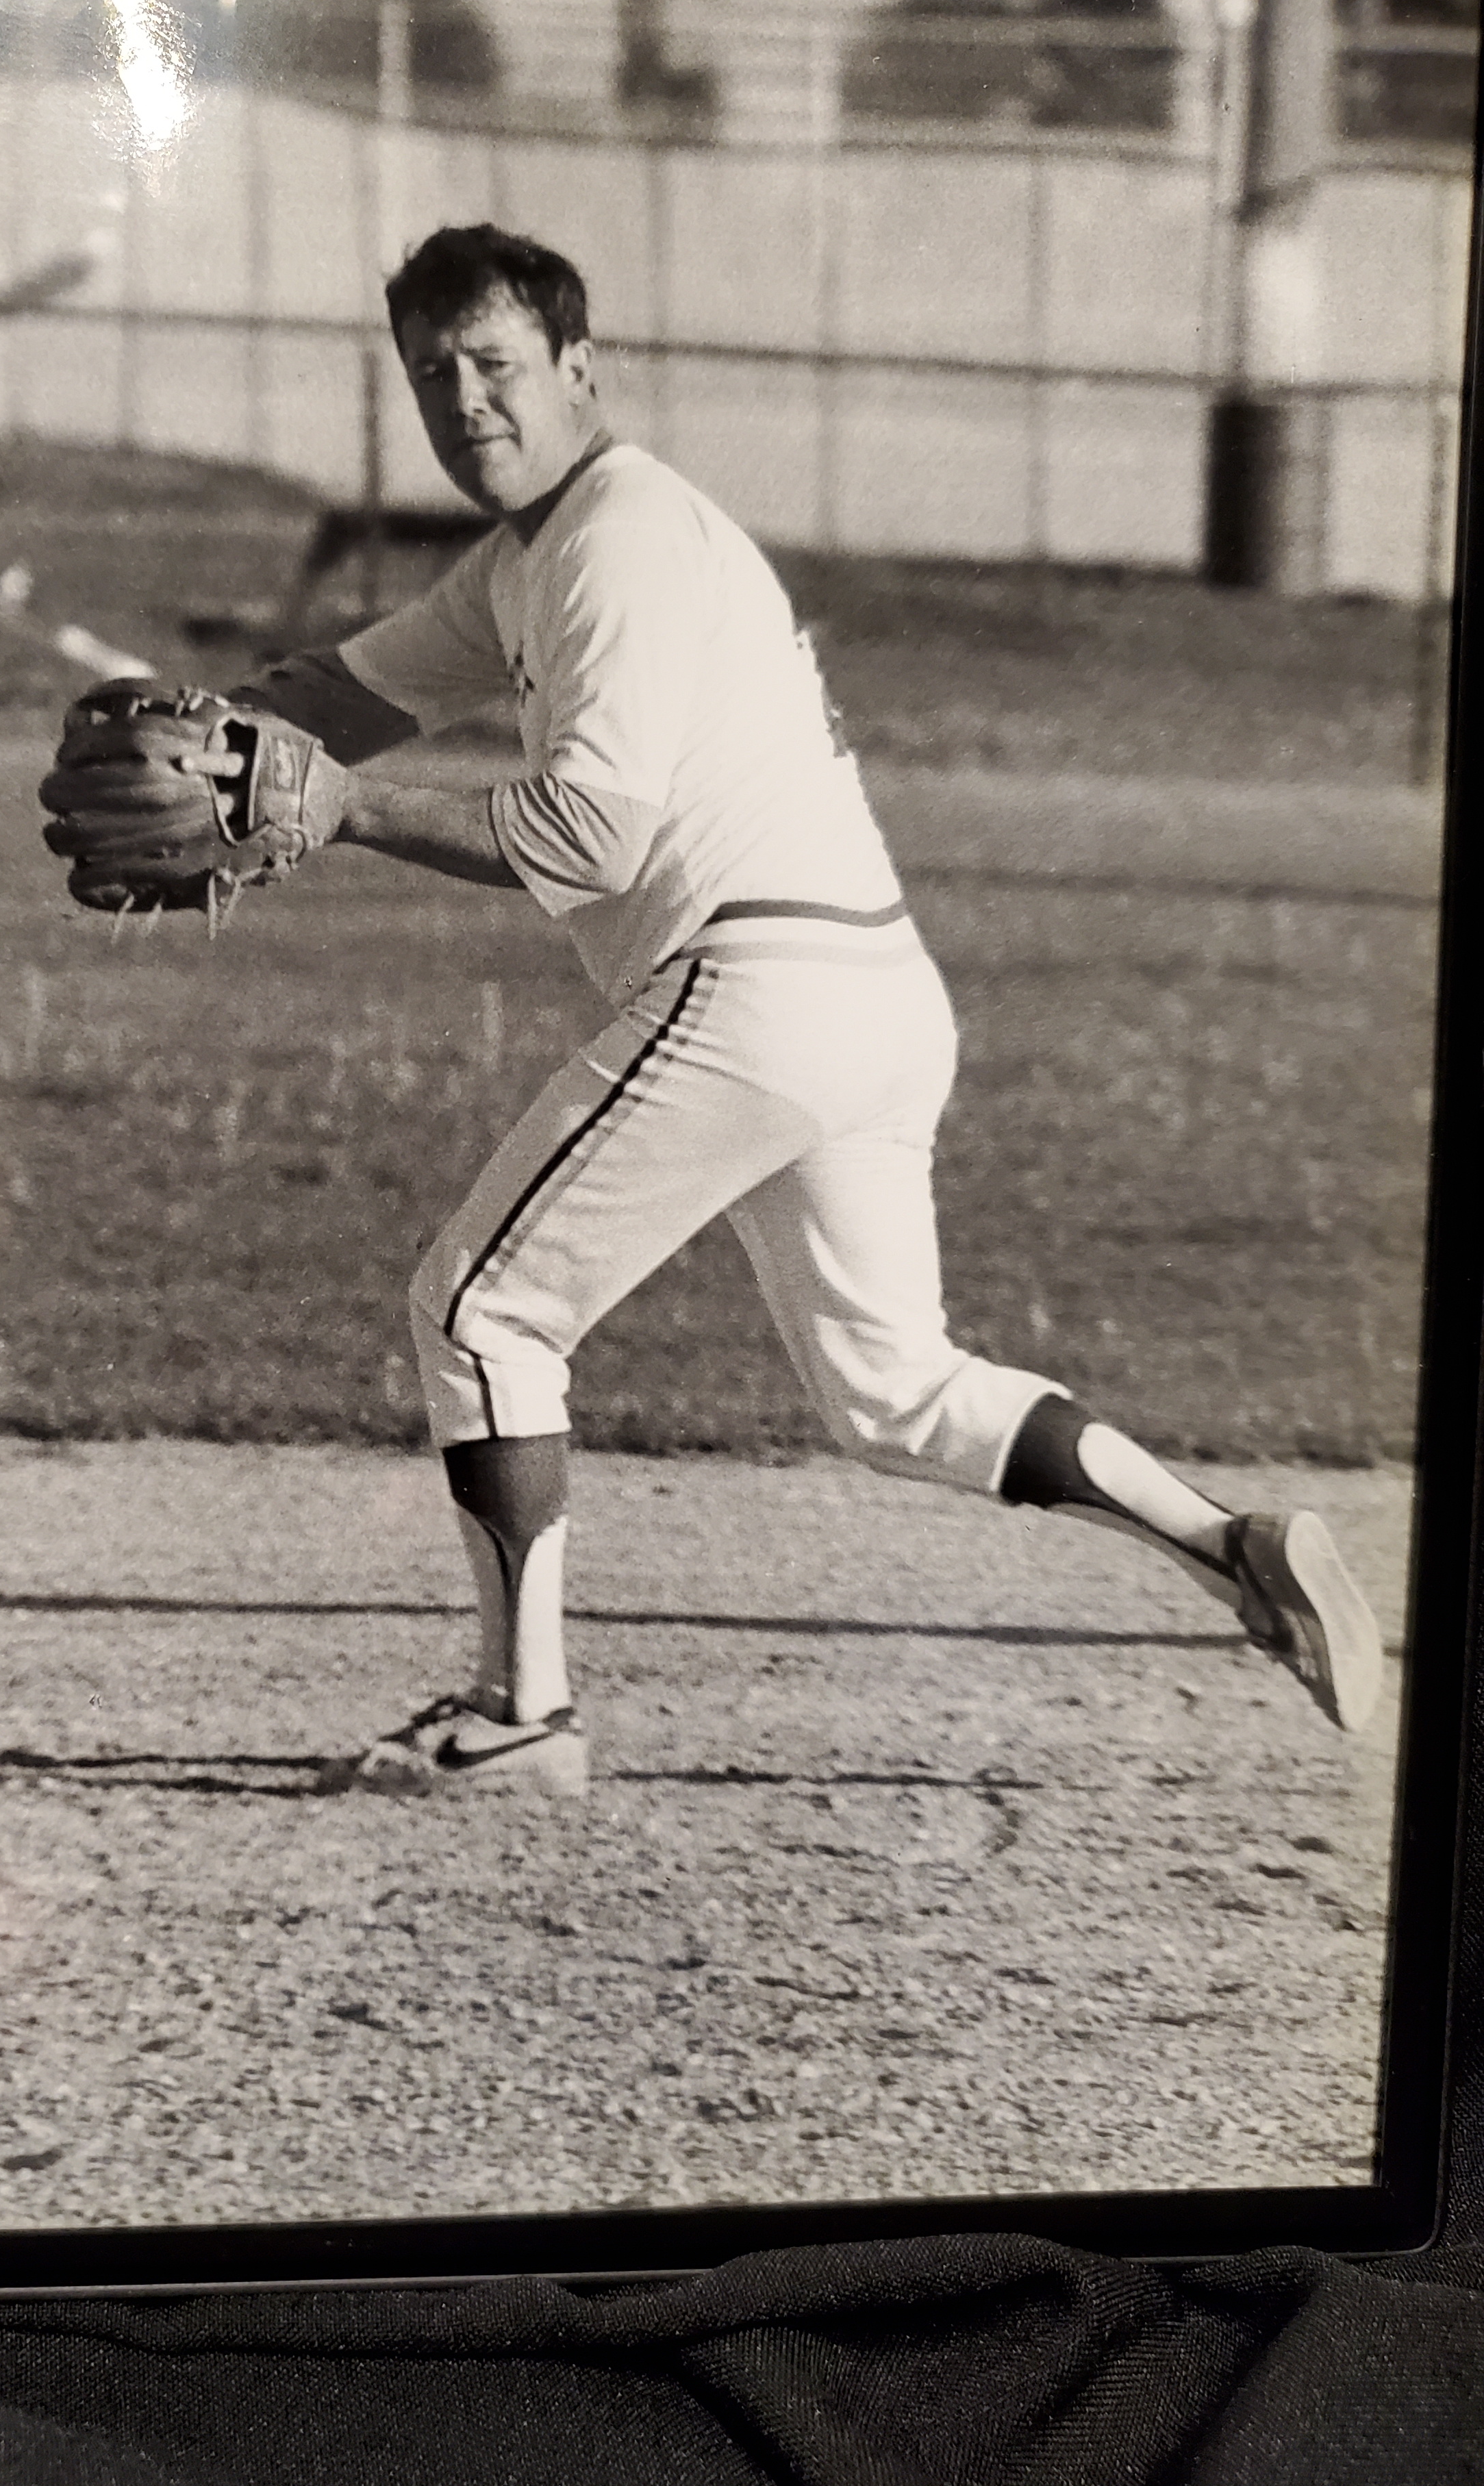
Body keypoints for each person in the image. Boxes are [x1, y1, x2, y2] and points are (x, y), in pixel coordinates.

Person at [232, 223, 1382, 1795]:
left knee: (482, 1310)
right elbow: (346, 697)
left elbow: (584, 838)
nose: (464, 402)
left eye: (493, 365)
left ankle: (521, 1715)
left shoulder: (615, 540)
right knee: (895, 1391)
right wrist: (202, 738)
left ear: (581, 370)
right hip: (869, 995)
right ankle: (1228, 1543)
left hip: (753, 986)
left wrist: (338, 815)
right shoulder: (534, 558)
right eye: (432, 374)